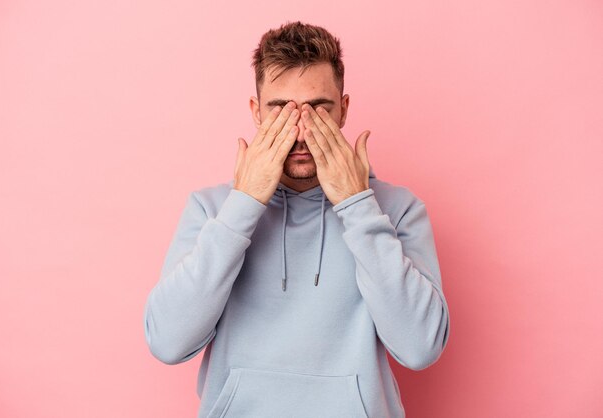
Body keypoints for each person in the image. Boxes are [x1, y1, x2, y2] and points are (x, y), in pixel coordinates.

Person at [144, 21, 450, 418]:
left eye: (319, 109)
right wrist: (244, 204)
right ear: (256, 113)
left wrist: (356, 204)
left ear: (343, 110)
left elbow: (420, 346)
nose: (301, 131)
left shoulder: (396, 209)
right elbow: (168, 341)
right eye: (281, 110)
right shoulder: (212, 209)